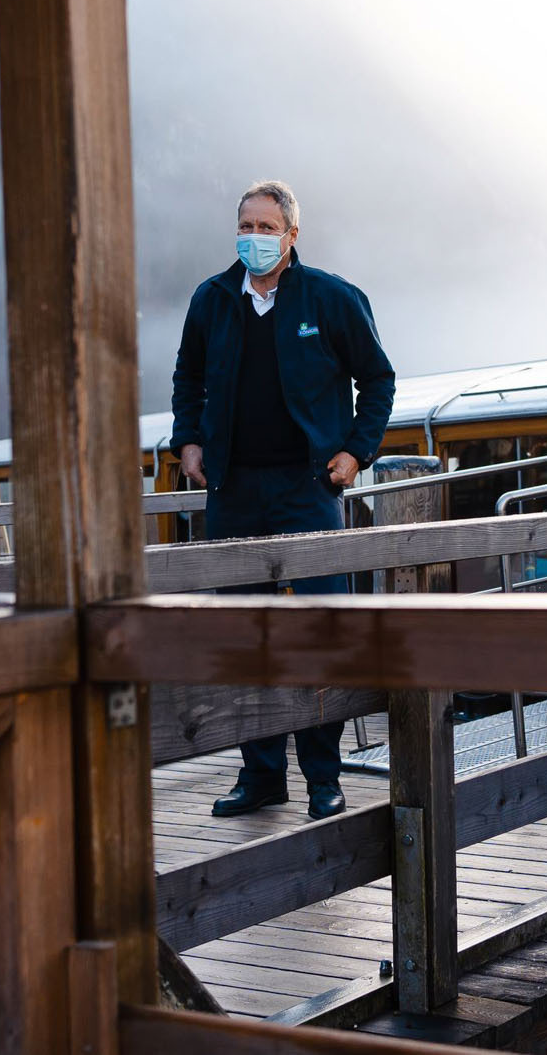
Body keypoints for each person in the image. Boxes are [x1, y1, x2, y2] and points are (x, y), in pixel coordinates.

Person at [171, 180, 396, 820]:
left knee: (320, 628)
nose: (255, 238)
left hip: (307, 487)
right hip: (234, 489)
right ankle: (261, 775)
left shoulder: (331, 297)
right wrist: (189, 440)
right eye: (246, 226)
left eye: (267, 228)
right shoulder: (212, 299)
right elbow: (188, 376)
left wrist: (356, 452)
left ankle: (324, 776)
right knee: (246, 634)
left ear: (292, 235)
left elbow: (378, 379)